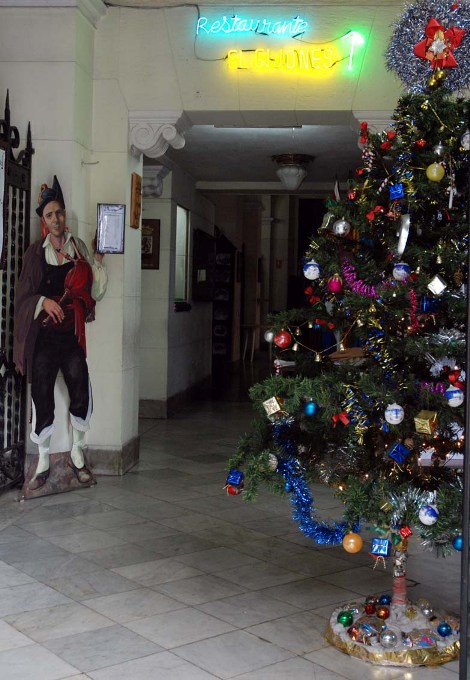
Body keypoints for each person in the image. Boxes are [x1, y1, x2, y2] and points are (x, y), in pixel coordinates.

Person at [14, 176, 107, 491]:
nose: (57, 219)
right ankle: (42, 460)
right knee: (41, 392)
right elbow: (23, 295)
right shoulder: (34, 253)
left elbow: (94, 290)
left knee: (80, 385)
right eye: (50, 215)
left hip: (69, 335)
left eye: (60, 213)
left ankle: (78, 454)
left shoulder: (77, 247)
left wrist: (97, 261)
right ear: (44, 219)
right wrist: (43, 302)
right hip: (44, 337)